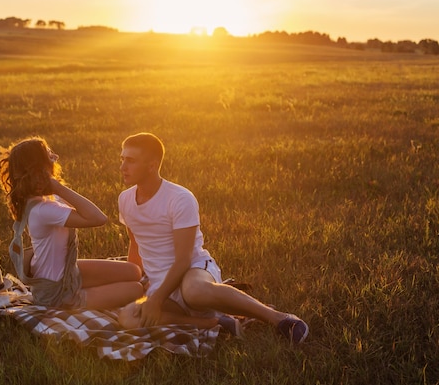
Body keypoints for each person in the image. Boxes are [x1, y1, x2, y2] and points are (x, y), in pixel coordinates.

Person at [117, 132, 309, 344]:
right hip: (159, 283)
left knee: (194, 292)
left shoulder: (180, 198)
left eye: (131, 161)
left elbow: (183, 260)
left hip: (192, 271)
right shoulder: (125, 200)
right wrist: (137, 281)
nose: (122, 167)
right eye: (122, 159)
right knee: (128, 316)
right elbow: (135, 243)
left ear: (152, 165)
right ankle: (219, 321)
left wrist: (156, 299)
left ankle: (280, 319)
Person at [0, 136, 143, 310]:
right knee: (136, 289)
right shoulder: (44, 209)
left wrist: (52, 186)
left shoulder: (40, 199)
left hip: (67, 274)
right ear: (40, 166)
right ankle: (74, 300)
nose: (55, 158)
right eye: (49, 155)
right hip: (58, 294)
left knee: (134, 271)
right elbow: (98, 218)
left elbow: (80, 209)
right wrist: (58, 187)